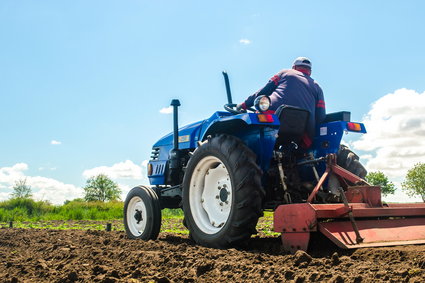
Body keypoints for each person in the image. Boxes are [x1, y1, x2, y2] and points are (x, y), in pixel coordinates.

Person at [237, 57, 326, 148]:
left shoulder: (285, 73)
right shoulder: (317, 87)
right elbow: (321, 117)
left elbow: (262, 93)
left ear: (294, 67)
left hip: (273, 119)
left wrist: (244, 105)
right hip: (304, 133)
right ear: (310, 71)